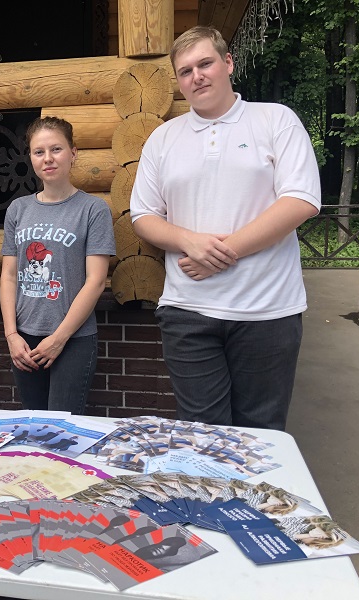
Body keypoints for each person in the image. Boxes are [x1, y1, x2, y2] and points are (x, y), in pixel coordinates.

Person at [129, 26, 321, 431]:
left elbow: (301, 200)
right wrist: (190, 242)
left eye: (205, 64)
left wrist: (220, 253)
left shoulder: (275, 120)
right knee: (201, 436)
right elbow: (143, 214)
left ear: (228, 62)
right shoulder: (163, 139)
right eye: (185, 71)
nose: (196, 76)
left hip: (268, 310)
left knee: (260, 434)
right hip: (188, 312)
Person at [0, 116, 115, 414]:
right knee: (34, 422)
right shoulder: (18, 209)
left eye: (56, 149)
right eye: (39, 152)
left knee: (62, 426)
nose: (48, 158)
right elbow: (9, 276)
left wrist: (58, 339)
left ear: (73, 153)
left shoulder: (93, 210)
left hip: (73, 338)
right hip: (24, 338)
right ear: (31, 157)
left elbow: (96, 282)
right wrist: (11, 335)